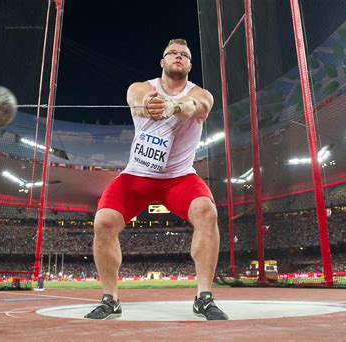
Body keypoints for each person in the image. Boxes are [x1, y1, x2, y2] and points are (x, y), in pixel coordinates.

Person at [84, 38, 228, 320]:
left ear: (189, 64)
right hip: (137, 175)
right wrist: (147, 103)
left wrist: (174, 106)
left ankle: (204, 297)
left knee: (206, 212)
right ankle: (110, 299)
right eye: (172, 53)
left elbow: (195, 105)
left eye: (183, 55)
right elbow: (136, 99)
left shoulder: (201, 93)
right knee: (103, 222)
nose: (178, 56)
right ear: (162, 62)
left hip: (179, 177)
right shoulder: (141, 87)